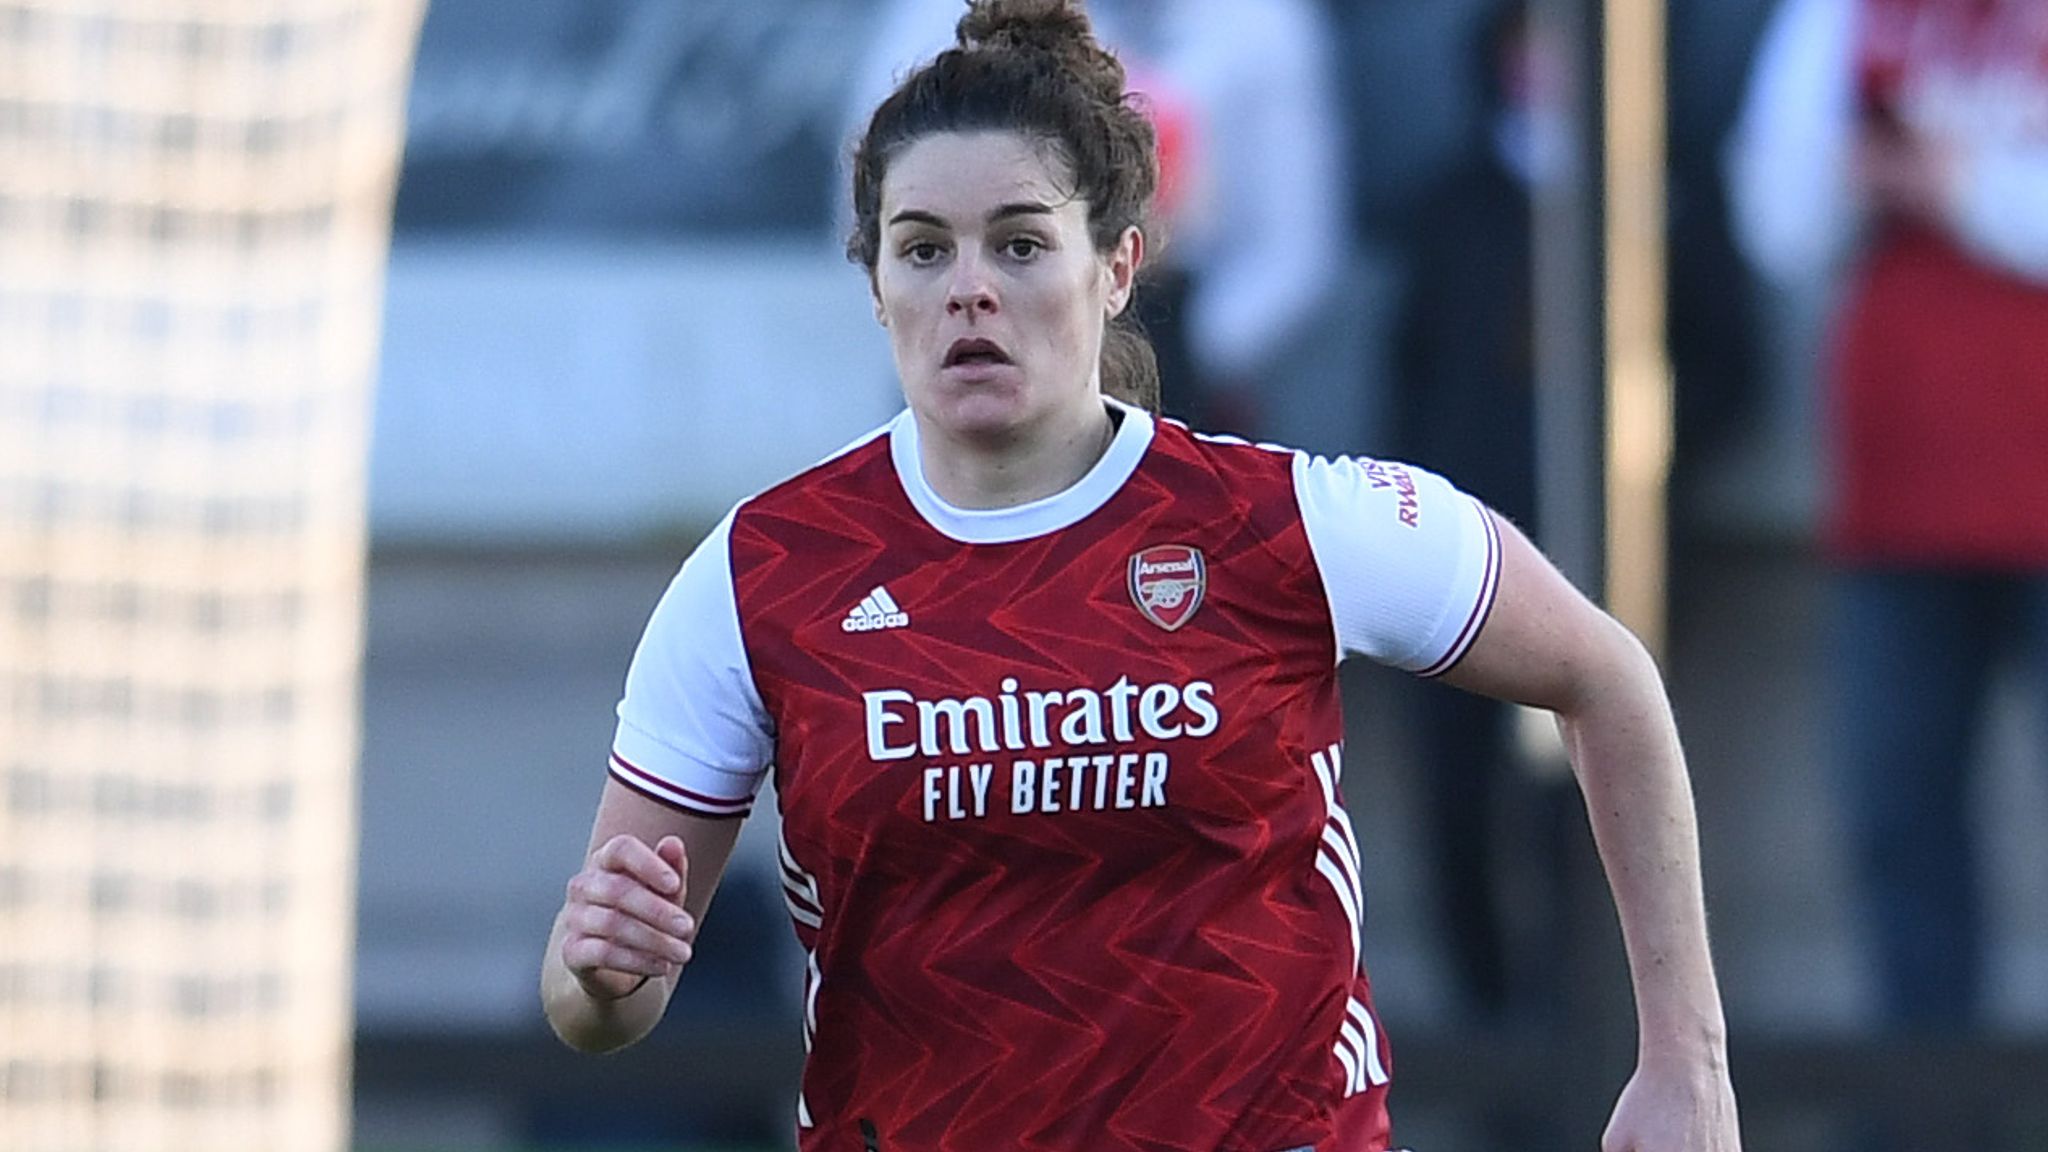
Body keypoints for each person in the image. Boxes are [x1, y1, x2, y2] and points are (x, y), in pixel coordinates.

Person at [542, 2, 1740, 1149]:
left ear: (1118, 266)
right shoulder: (763, 574)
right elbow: (599, 1001)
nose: (968, 287)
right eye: (921, 250)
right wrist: (601, 965)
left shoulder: (1288, 524)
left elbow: (1605, 678)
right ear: (873, 285)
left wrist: (1682, 1057)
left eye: (1018, 243)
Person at [1726, 0, 2048, 1031]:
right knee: (1896, 828)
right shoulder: (1838, 15)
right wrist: (1858, 175)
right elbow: (1773, 217)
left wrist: (1961, 187)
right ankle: (1926, 1117)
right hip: (1895, 498)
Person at [836, 0, 1350, 437]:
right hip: (956, 375)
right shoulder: (940, 14)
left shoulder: (1254, 23)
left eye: (1022, 243)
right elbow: (874, 202)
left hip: (1178, 350)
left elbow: (1293, 248)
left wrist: (1151, 361)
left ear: (1123, 265)